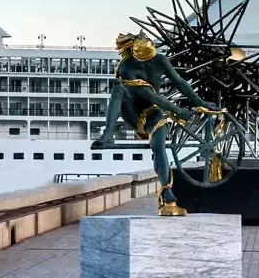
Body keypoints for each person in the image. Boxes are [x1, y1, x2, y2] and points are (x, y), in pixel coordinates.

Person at [92, 32, 218, 216]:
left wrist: (200, 103)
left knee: (159, 147)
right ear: (135, 55)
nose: (149, 63)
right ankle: (108, 135)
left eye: (151, 57)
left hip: (153, 112)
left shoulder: (160, 59)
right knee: (118, 90)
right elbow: (148, 95)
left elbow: (180, 82)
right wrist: (177, 110)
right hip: (133, 113)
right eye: (145, 60)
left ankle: (167, 192)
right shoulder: (126, 68)